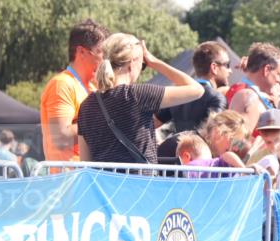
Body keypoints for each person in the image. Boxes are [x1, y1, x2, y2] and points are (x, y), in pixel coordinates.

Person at [77, 33, 203, 164]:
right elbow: (197, 89)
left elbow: (86, 162)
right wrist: (154, 62)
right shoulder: (137, 95)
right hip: (140, 182)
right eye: (143, 65)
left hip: (103, 183)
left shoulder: (86, 106)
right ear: (131, 63)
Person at [40, 19, 110, 162]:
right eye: (101, 52)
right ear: (81, 51)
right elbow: (60, 138)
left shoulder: (93, 87)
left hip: (88, 176)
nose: (105, 59)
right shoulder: (61, 84)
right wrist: (102, 122)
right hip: (68, 178)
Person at [155, 41, 229, 134]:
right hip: (199, 147)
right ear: (214, 67)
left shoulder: (179, 92)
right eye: (227, 65)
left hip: (177, 146)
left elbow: (154, 122)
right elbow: (214, 135)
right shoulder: (216, 98)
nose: (230, 71)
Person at [229, 43, 280, 136]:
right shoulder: (246, 95)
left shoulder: (250, 93)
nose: (279, 80)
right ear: (266, 70)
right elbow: (238, 143)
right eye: (278, 74)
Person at [175, 132, 247, 178]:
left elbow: (227, 155)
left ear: (186, 157)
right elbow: (228, 155)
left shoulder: (191, 167)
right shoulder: (214, 164)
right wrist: (243, 169)